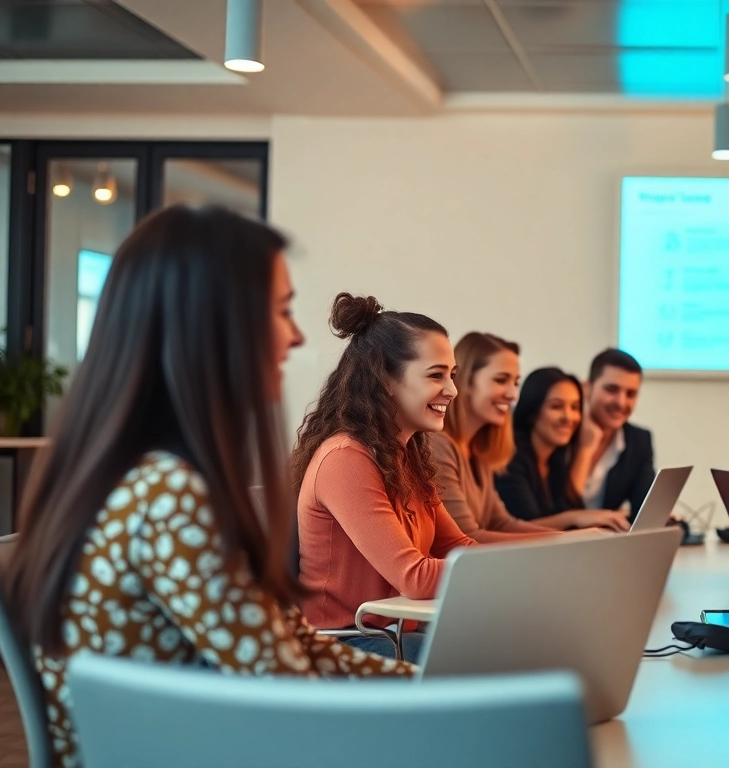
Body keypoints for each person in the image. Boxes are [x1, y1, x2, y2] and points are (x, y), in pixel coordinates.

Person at [2, 206, 413, 768]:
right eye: (282, 311)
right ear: (213, 323)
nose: (295, 337)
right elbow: (285, 693)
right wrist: (444, 703)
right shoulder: (171, 496)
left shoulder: (135, 477)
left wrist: (419, 684)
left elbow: (295, 648)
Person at [290, 293, 478, 660]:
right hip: (344, 645)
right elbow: (415, 577)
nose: (452, 390)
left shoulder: (405, 456)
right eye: (436, 375)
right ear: (385, 380)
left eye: (452, 376)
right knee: (498, 661)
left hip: (391, 637)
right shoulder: (345, 459)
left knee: (515, 650)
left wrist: (540, 563)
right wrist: (518, 576)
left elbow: (459, 548)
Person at [428, 332, 557, 543]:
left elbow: (502, 523)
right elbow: (466, 538)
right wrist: (566, 540)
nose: (513, 395)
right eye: (501, 380)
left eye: (515, 383)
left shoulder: (477, 449)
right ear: (465, 381)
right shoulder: (439, 444)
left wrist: (573, 538)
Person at [495, 367, 631, 531]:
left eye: (575, 407)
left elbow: (570, 506)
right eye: (556, 406)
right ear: (532, 411)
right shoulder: (511, 455)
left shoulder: (556, 459)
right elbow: (524, 528)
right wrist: (575, 518)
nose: (568, 417)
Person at [573, 348, 656, 519]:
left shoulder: (638, 441)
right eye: (611, 389)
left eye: (631, 394)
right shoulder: (561, 433)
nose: (621, 402)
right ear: (587, 388)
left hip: (606, 542)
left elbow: (644, 513)